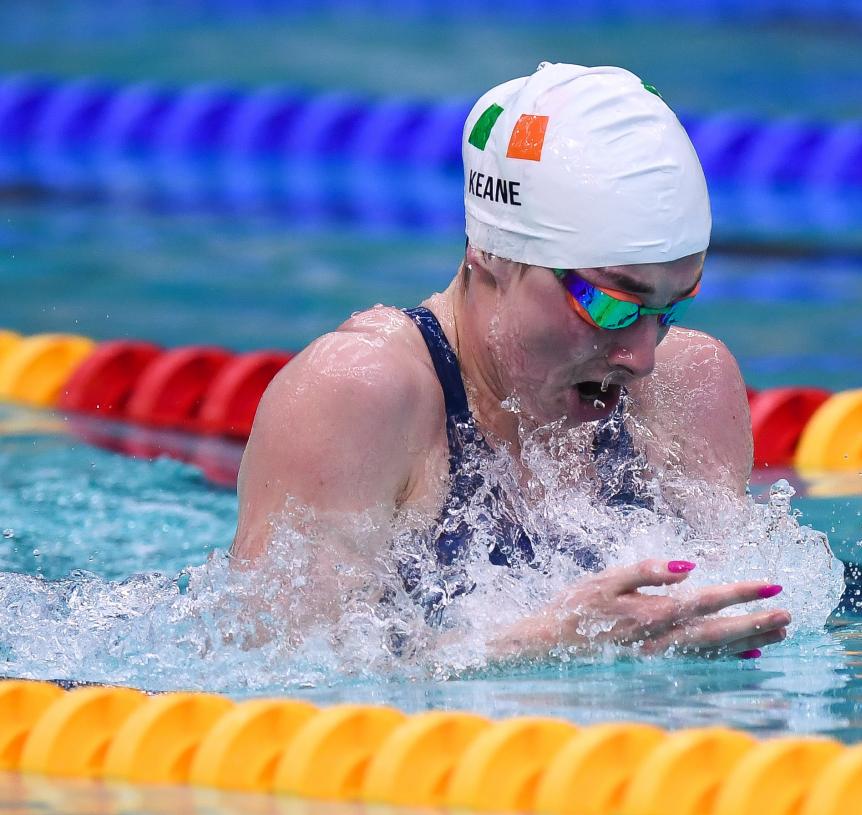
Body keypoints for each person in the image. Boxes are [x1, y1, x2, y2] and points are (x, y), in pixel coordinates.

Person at [230, 62, 796, 662]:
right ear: (491, 256)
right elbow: (285, 680)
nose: (642, 357)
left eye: (670, 309)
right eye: (609, 305)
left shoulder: (689, 389)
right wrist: (542, 643)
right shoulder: (360, 395)